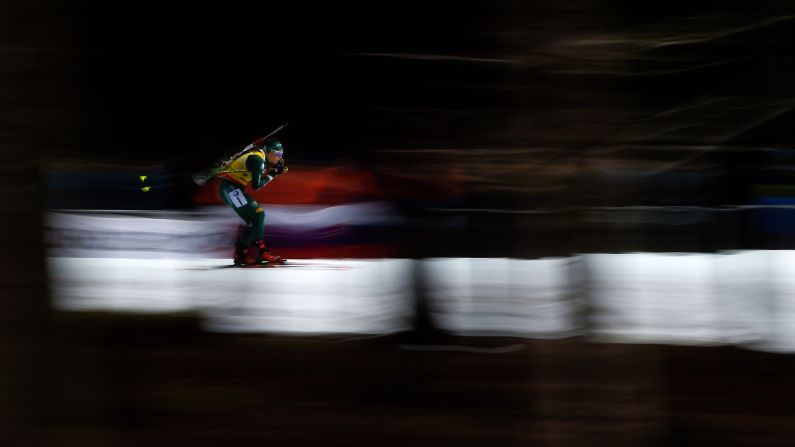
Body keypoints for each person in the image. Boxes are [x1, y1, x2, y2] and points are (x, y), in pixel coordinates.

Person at [215, 136, 288, 265]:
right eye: (278, 153)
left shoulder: (260, 158)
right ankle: (261, 251)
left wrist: (271, 170)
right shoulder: (257, 159)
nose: (279, 157)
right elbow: (256, 186)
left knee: (253, 221)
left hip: (231, 188)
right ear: (269, 151)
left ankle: (241, 254)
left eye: (281, 154)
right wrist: (272, 175)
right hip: (230, 188)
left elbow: (259, 170)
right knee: (259, 214)